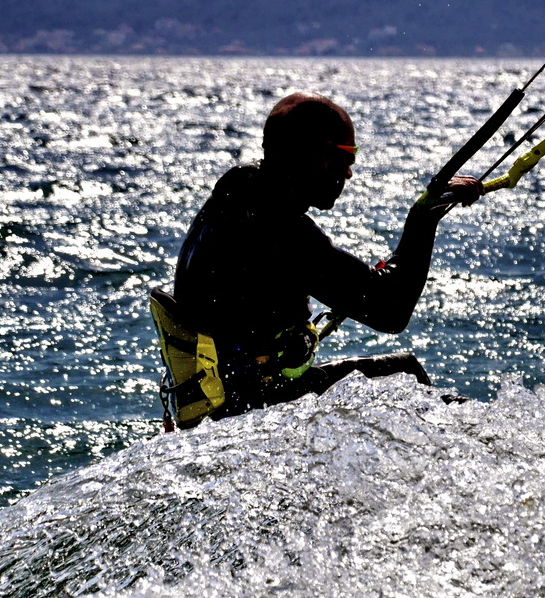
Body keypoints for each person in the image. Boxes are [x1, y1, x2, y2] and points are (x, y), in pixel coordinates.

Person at [171, 92, 481, 420]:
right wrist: (422, 217)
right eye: (347, 156)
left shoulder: (235, 195)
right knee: (407, 376)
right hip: (253, 405)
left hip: (230, 397)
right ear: (318, 156)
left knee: (404, 377)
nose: (349, 172)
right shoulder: (275, 227)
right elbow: (390, 310)